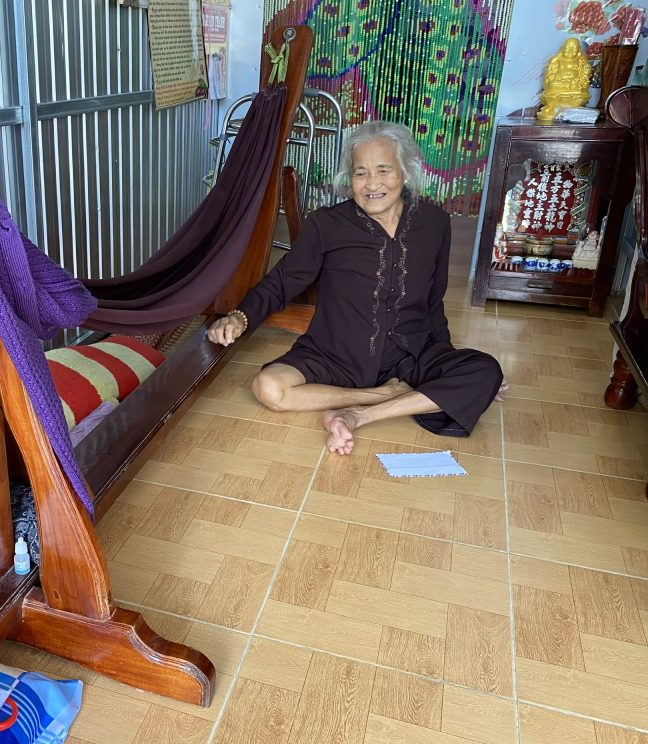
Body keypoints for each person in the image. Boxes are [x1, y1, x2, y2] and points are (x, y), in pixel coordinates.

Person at [207, 120, 505, 455]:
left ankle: (357, 415)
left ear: (405, 172)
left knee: (486, 370)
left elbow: (434, 303)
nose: (372, 184)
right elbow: (283, 281)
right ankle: (382, 396)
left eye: (383, 170)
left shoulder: (435, 223)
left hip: (410, 358)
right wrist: (240, 316)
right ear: (349, 179)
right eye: (360, 173)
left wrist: (446, 368)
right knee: (268, 387)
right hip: (336, 354)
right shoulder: (327, 224)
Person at [537, 38, 591, 120]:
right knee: (552, 85)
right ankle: (553, 107)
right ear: (562, 48)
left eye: (574, 48)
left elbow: (585, 74)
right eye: (568, 47)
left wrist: (581, 77)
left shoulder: (581, 60)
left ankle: (569, 108)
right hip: (559, 84)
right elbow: (549, 73)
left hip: (574, 85)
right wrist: (555, 78)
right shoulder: (556, 59)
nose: (570, 50)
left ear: (578, 50)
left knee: (579, 91)